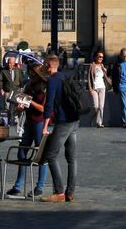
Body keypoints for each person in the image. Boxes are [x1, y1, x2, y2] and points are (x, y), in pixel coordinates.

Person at [6, 64, 50, 199]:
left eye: (33, 73)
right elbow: (23, 106)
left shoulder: (45, 87)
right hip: (29, 121)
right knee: (21, 152)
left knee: (41, 154)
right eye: (30, 72)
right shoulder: (29, 85)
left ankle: (40, 186)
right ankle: (18, 186)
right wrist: (20, 106)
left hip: (39, 122)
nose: (30, 75)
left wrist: (30, 102)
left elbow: (43, 109)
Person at [39, 53, 78, 203]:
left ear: (49, 66)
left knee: (51, 155)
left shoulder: (53, 80)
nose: (43, 67)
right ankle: (70, 192)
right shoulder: (63, 77)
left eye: (44, 64)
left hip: (63, 122)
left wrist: (45, 126)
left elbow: (48, 105)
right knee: (72, 158)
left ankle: (59, 192)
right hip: (74, 120)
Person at [88, 50, 111, 127]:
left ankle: (99, 123)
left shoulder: (102, 66)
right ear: (96, 57)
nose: (101, 58)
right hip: (94, 88)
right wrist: (90, 89)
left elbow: (105, 77)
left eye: (102, 57)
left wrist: (105, 71)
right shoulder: (92, 66)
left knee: (101, 107)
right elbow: (89, 78)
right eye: (99, 56)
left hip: (102, 87)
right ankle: (91, 119)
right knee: (96, 107)